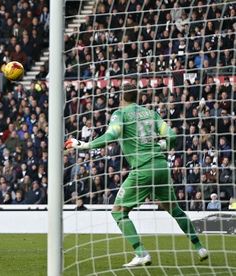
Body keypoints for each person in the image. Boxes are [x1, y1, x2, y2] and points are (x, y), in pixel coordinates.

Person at [64, 83, 208, 267]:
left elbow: (110, 137)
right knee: (175, 209)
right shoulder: (150, 113)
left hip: (142, 169)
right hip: (162, 166)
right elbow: (172, 136)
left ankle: (141, 253)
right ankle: (200, 247)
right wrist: (161, 147)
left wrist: (83, 145)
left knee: (118, 212)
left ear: (121, 97)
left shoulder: (120, 114)